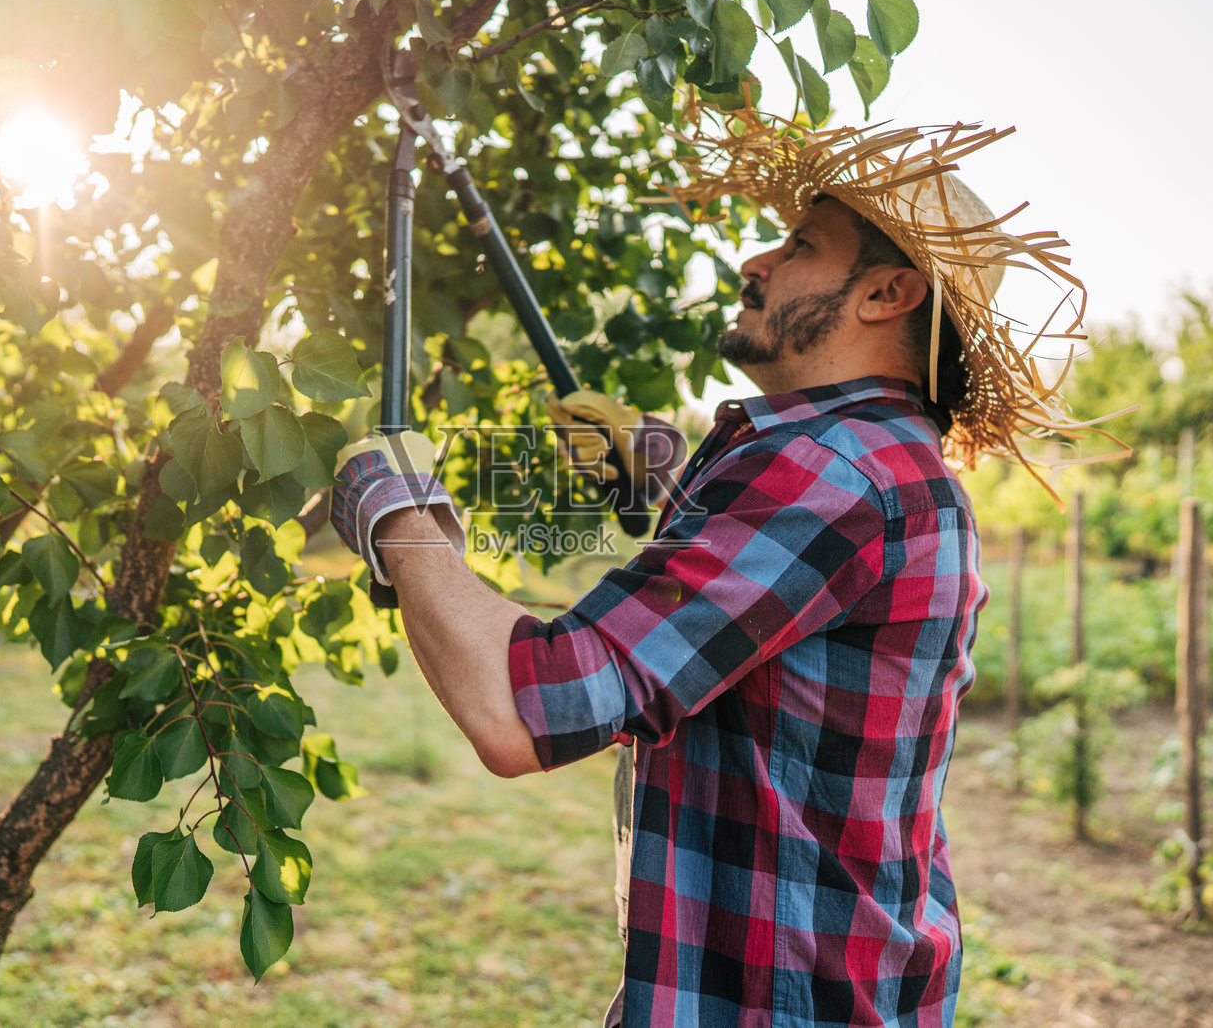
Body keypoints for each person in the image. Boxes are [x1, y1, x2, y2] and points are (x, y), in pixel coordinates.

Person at [329, 118, 1100, 1028]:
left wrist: (398, 511)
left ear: (888, 293)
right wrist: (659, 478)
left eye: (802, 245)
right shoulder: (887, 463)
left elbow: (521, 706)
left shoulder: (834, 471)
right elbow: (755, 630)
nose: (760, 260)